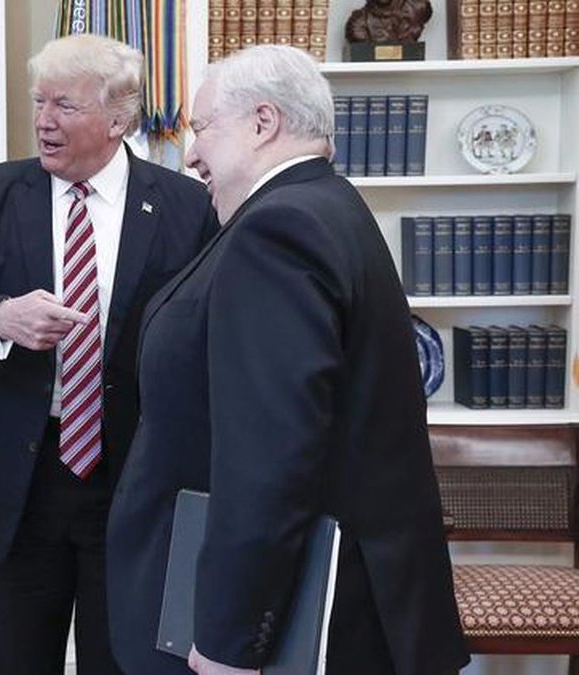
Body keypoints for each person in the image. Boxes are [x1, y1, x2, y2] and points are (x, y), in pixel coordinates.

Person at [105, 45, 469, 675]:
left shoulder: (277, 232)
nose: (191, 155)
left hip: (279, 630)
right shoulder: (325, 206)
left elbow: (267, 457)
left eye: (202, 129)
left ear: (263, 122)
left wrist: (229, 641)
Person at [0, 34, 217, 675]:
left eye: (65, 105)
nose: (44, 121)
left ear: (117, 119)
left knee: (124, 661)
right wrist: (0, 316)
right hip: (21, 482)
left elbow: (208, 336)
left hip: (133, 476)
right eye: (39, 102)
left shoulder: (186, 205)